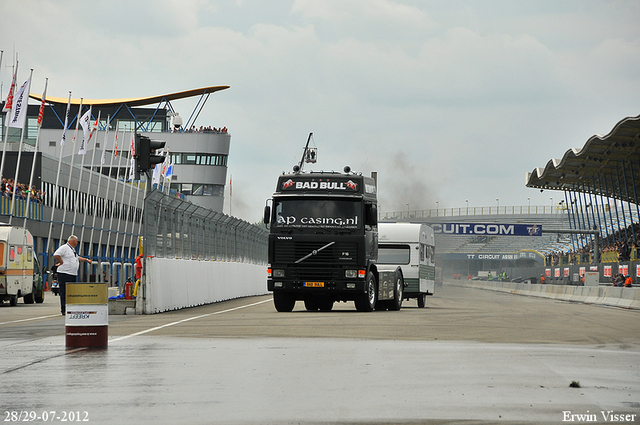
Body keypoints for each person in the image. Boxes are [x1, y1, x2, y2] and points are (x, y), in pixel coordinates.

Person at [53, 235, 92, 315]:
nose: (77, 243)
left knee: (71, 293)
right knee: (64, 292)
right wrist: (61, 262)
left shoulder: (72, 249)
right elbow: (56, 254)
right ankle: (63, 309)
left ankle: (70, 308)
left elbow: (77, 258)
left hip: (72, 274)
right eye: (76, 241)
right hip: (64, 273)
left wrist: (86, 260)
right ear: (73, 241)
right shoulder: (64, 247)